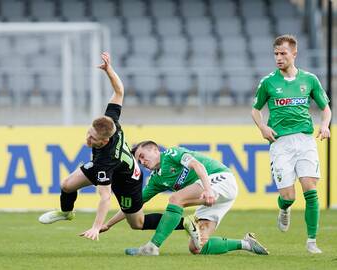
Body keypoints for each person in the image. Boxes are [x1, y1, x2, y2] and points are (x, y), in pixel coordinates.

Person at [38, 52, 195, 241]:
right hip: (111, 165)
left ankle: (184, 222)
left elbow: (105, 198)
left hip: (128, 180)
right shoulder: (110, 121)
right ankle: (66, 212)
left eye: (92, 139)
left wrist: (96, 227)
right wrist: (109, 70)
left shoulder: (106, 159)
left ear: (103, 142)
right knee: (66, 185)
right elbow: (120, 91)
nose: (88, 139)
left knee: (137, 224)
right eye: (89, 133)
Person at [102, 141, 269, 256]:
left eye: (143, 155)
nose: (142, 161)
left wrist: (209, 190)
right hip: (212, 195)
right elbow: (133, 205)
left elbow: (197, 165)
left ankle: (152, 247)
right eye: (139, 160)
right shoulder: (156, 180)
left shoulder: (172, 153)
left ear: (154, 149)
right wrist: (107, 224)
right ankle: (247, 244)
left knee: (176, 199)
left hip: (220, 180)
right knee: (198, 247)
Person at [251, 34, 331, 254]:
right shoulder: (268, 82)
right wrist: (263, 128)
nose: (278, 57)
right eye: (276, 54)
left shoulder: (310, 80)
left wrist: (325, 126)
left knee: (310, 189)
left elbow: (326, 109)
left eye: (283, 53)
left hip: (305, 140)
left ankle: (312, 242)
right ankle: (284, 209)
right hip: (280, 143)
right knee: (289, 196)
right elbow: (255, 110)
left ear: (294, 54)